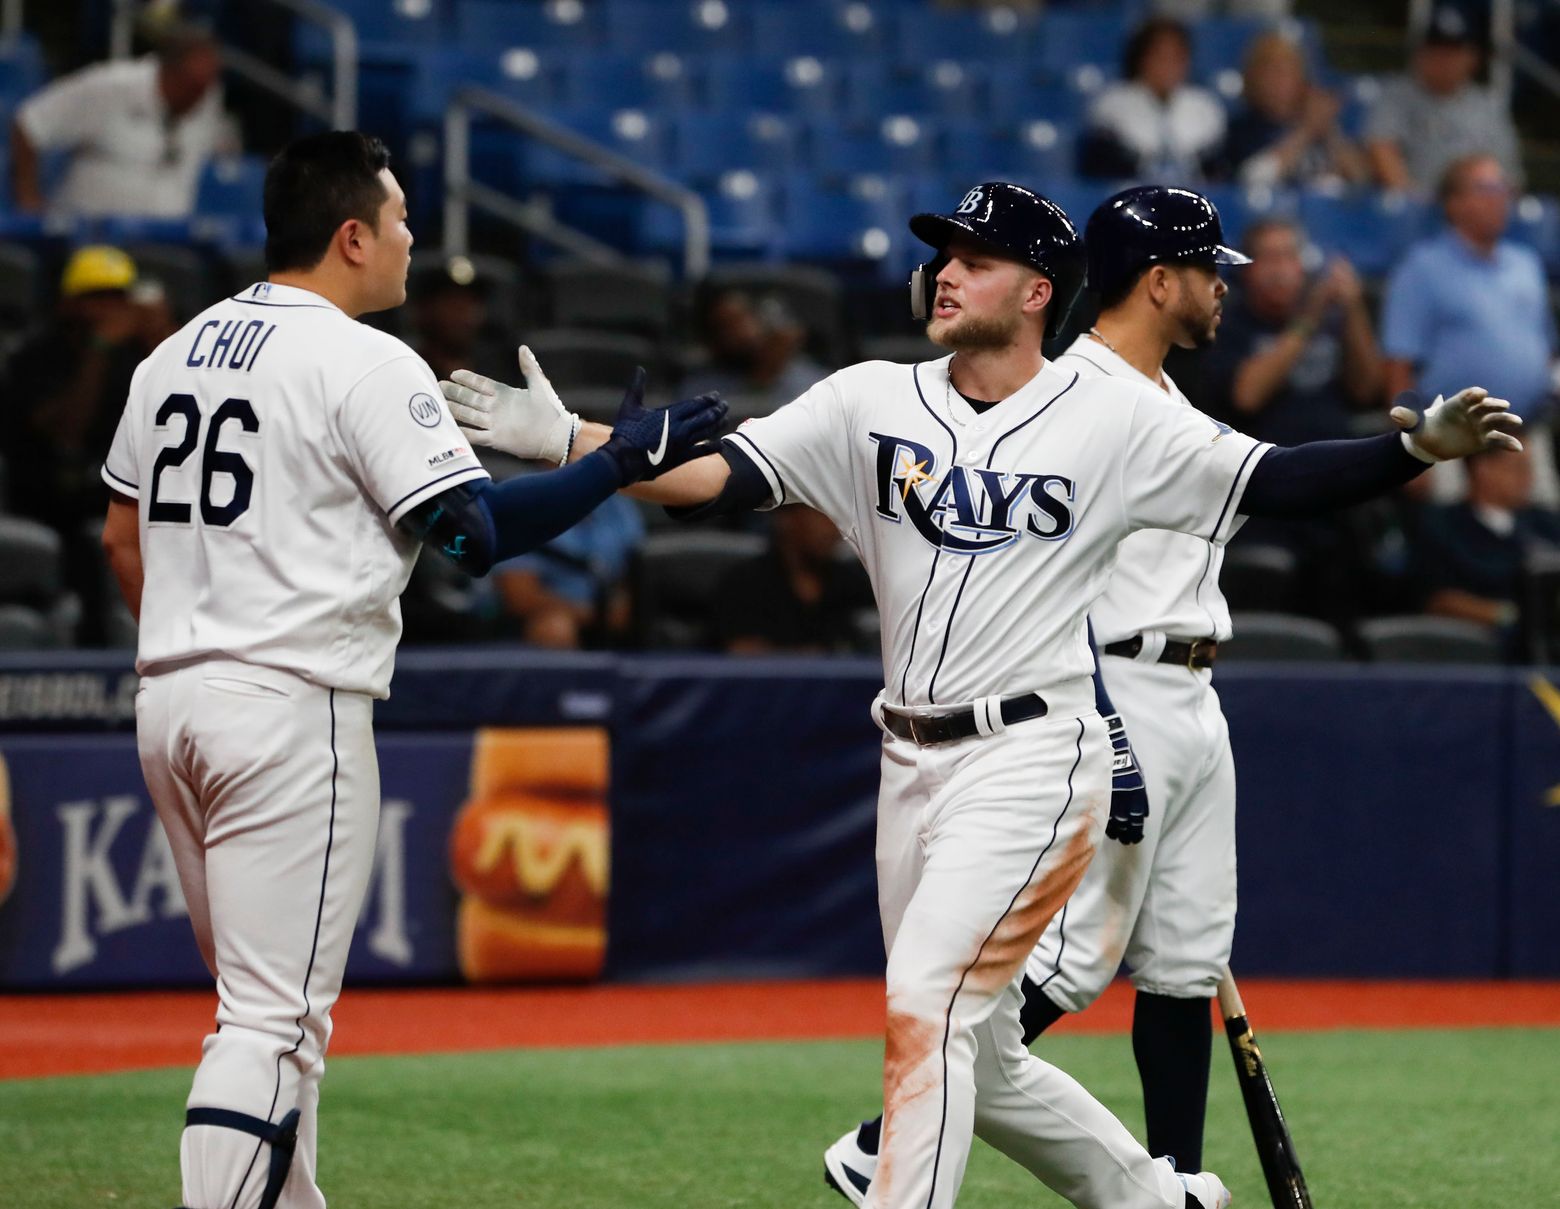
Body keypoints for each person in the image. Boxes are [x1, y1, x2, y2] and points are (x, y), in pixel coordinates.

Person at [444, 181, 1517, 1209]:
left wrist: (1412, 448)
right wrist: (573, 446)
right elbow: (715, 474)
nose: (945, 273)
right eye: (944, 255)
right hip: (908, 761)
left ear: (1038, 290)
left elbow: (1275, 480)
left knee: (927, 1003)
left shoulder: (1112, 417)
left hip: (1035, 756)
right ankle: (1154, 1197)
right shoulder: (869, 398)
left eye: (976, 259)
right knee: (985, 1054)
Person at [97, 130, 722, 1209]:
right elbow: (470, 540)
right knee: (270, 1021)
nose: (409, 238)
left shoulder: (178, 349)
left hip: (173, 700)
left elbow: (119, 536)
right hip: (288, 707)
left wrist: (197, 649)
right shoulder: (361, 356)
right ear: (350, 235)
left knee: (270, 1012)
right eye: (396, 219)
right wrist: (617, 463)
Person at [0, 245, 177, 640]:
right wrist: (98, 348)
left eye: (119, 298)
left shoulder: (141, 357)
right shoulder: (36, 355)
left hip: (113, 498)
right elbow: (67, 435)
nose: (111, 309)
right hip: (47, 502)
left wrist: (161, 338)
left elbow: (192, 407)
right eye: (97, 298)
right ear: (69, 304)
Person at [1382, 153, 1556, 501]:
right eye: (1486, 188)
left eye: (1503, 188)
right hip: (1450, 433)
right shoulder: (1422, 269)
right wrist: (1408, 449)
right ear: (1454, 203)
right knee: (1452, 536)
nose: (1499, 198)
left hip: (1527, 430)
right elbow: (1398, 367)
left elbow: (1547, 351)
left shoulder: (1526, 264)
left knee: (1544, 534)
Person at [9, 23, 228, 220]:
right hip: (91, 242)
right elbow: (30, 122)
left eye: (206, 87)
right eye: (192, 87)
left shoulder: (207, 98)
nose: (200, 97)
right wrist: (29, 201)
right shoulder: (111, 86)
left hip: (169, 247)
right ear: (168, 70)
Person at [1205, 218, 1382, 447]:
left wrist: (1353, 308)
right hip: (1272, 463)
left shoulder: (1331, 319)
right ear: (1247, 269)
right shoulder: (1228, 324)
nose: (1280, 270)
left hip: (1338, 456)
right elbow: (1246, 398)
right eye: (1269, 258)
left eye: (1289, 256)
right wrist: (1307, 322)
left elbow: (1367, 390)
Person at [1364, 3, 1522, 195]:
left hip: (1473, 211)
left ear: (1472, 58)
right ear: (1420, 53)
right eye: (1436, 50)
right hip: (1417, 209)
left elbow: (1508, 176)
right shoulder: (1396, 96)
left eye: (1453, 52)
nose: (1444, 60)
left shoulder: (1488, 105)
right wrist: (1415, 205)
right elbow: (1382, 150)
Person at [1415, 445, 1560, 653]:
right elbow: (1438, 600)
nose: (1529, 476)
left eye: (1529, 467)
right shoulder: (1443, 526)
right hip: (1479, 651)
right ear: (1483, 469)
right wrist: (1509, 614)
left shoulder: (1546, 523)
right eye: (1519, 467)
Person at [707, 504, 874, 654]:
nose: (832, 528)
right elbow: (743, 657)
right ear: (786, 519)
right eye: (821, 515)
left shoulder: (854, 582)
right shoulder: (743, 583)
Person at [492, 491, 645, 649]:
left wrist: (625, 606)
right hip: (550, 615)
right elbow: (519, 596)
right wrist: (592, 613)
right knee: (554, 627)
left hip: (613, 613)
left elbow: (639, 569)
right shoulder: (522, 498)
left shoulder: (615, 502)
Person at [1081, 18, 1225, 183]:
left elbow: (1215, 171)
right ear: (1141, 57)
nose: (1168, 65)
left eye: (1177, 56)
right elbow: (1103, 168)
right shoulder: (1111, 105)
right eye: (1160, 55)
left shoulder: (1206, 107)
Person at [1216, 33, 1366, 189]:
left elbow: (1360, 179)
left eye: (1287, 72)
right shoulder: (1241, 130)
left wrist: (1330, 130)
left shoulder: (1324, 129)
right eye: (1271, 73)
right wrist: (1306, 131)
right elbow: (1253, 179)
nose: (1279, 83)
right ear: (1254, 78)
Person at [677, 287, 827, 420]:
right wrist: (762, 376)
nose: (744, 332)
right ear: (711, 342)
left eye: (744, 318)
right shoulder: (699, 394)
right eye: (728, 327)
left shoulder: (811, 379)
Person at [407, 257, 510, 386]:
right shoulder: (406, 368)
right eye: (451, 304)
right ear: (423, 310)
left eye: (470, 303)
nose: (462, 314)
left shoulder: (506, 370)